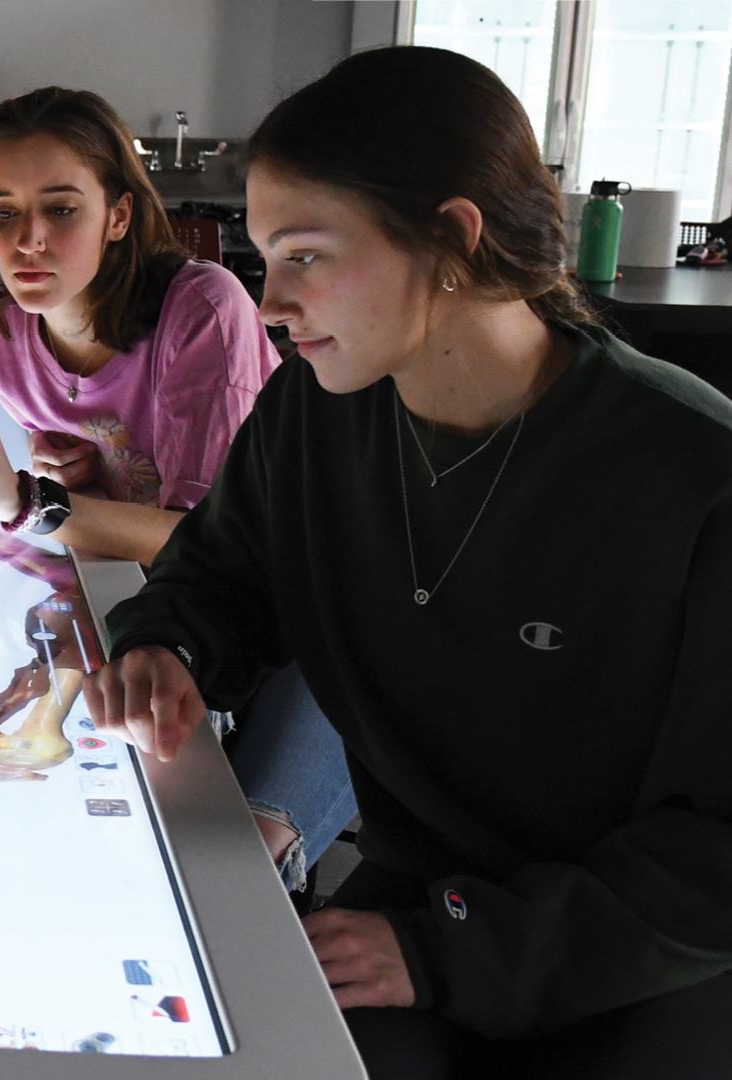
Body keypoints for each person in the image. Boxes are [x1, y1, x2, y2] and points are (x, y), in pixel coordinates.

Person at [89, 47, 732, 1078]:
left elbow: (715, 857)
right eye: (265, 262)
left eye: (305, 256)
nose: (270, 307)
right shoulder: (313, 409)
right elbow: (223, 576)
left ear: (453, 240)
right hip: (415, 904)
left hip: (638, 950)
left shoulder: (693, 473)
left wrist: (446, 947)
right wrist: (167, 644)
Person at [0, 87, 353, 896]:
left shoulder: (205, 309)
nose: (29, 240)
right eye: (4, 212)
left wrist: (27, 501)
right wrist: (84, 480)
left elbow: (200, 540)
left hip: (312, 606)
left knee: (239, 869)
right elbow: (121, 492)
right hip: (173, 616)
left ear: (119, 216)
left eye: (61, 208)